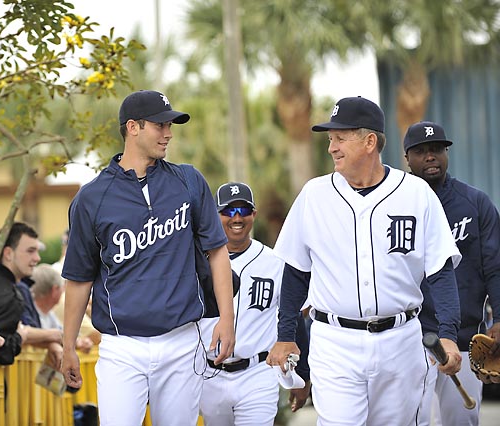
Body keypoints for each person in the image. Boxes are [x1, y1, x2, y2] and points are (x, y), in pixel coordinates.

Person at [266, 96, 463, 425]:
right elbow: (296, 272)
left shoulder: (416, 194)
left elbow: (440, 272)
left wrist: (448, 333)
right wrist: (286, 335)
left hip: (400, 341)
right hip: (335, 341)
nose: (332, 148)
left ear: (370, 141)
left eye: (340, 138)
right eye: (330, 139)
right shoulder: (314, 195)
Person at [60, 89, 235, 425]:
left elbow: (217, 252)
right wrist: (68, 345)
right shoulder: (92, 198)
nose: (168, 133)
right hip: (122, 347)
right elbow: (79, 279)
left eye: (170, 125)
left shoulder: (188, 181)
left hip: (182, 340)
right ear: (133, 127)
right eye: (160, 125)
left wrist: (226, 319)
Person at [404, 121, 500, 426]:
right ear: (407, 158)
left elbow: (495, 267)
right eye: (421, 151)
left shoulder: (475, 203)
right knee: (411, 419)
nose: (431, 156)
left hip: (463, 338)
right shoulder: (397, 205)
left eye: (437, 150)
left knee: (462, 420)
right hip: (409, 337)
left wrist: (499, 319)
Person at [199, 182, 311, 425]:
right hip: (209, 373)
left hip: (257, 372)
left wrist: (302, 374)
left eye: (243, 210)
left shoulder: (275, 262)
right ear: (215, 215)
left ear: (254, 215)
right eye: (228, 211)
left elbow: (292, 318)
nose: (236, 217)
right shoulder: (199, 262)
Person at [0, 222, 63, 366]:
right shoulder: (6, 293)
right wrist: (20, 336)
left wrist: (49, 342)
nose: (37, 258)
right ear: (8, 253)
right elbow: (1, 350)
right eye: (30, 251)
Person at [31, 263, 96, 351]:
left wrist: (79, 342)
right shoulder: (30, 314)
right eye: (62, 288)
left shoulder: (48, 313)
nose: (63, 292)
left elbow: (61, 334)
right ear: (54, 290)